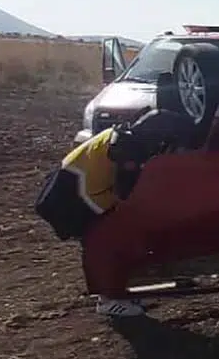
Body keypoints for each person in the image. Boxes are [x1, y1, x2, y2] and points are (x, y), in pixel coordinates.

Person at [34, 105, 196, 317]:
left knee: (113, 241)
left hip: (74, 190)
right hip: (73, 200)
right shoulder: (129, 149)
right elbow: (126, 194)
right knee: (108, 245)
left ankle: (120, 292)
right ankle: (109, 300)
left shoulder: (124, 135)